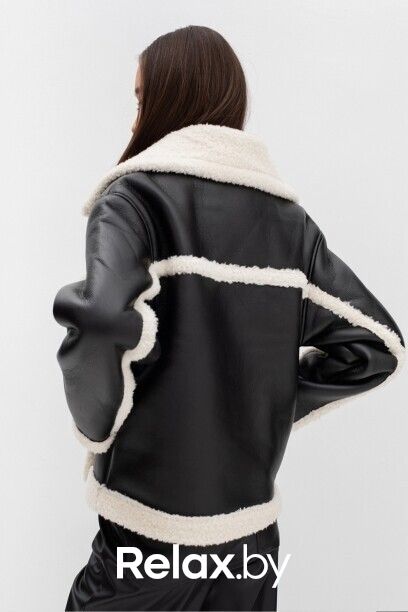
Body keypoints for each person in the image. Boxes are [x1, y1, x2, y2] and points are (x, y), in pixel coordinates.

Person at [53, 25, 404, 612]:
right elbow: (375, 345)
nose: (135, 117)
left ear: (168, 100)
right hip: (249, 547)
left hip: (149, 537)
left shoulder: (134, 200)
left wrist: (99, 428)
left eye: (140, 98)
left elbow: (102, 320)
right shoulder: (289, 224)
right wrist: (261, 407)